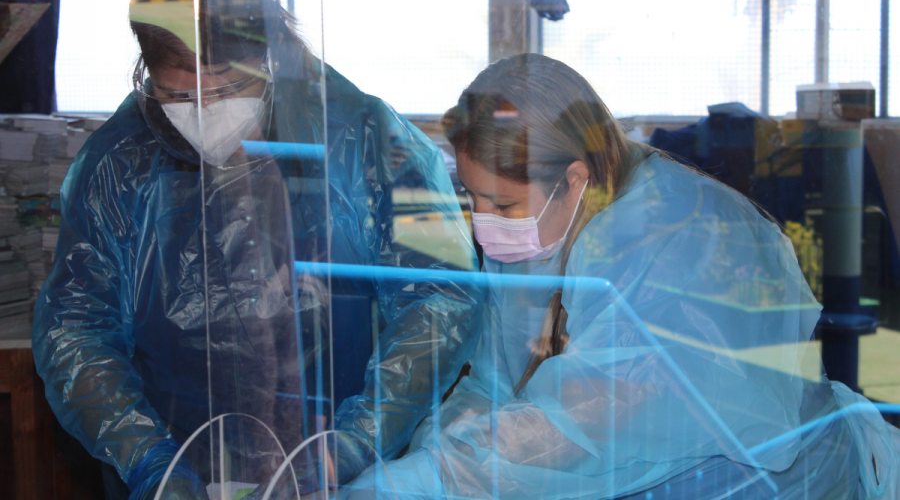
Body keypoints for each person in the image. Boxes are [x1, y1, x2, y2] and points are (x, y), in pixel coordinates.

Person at [32, 0, 480, 500]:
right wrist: (147, 459)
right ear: (146, 69)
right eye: (178, 94)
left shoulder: (362, 139)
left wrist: (360, 439)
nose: (205, 112)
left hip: (347, 463)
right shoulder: (118, 165)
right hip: (178, 453)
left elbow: (440, 297)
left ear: (268, 57)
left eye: (226, 89)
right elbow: (76, 327)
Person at [343, 54, 900, 499]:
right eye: (471, 197)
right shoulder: (561, 216)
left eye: (502, 204)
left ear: (575, 178)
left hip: (772, 477)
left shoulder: (669, 241)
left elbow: (579, 425)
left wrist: (416, 483)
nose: (484, 222)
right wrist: (429, 452)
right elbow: (497, 378)